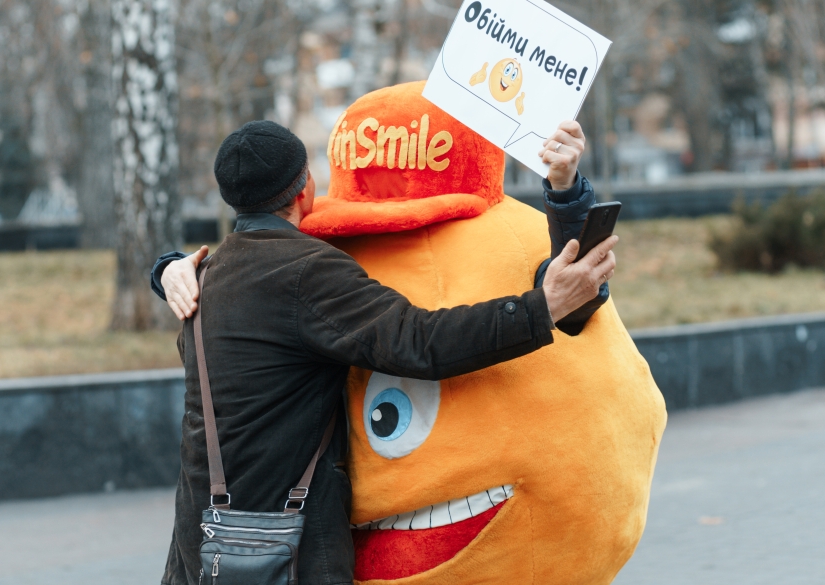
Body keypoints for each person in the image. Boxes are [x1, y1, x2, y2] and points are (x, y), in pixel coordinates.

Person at [152, 120, 614, 585]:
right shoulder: (306, 272)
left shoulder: (203, 277)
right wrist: (543, 307)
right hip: (283, 553)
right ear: (305, 187)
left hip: (200, 548)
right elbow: (420, 342)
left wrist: (165, 268)